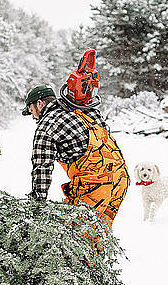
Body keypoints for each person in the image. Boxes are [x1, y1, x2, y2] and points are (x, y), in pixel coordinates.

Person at [22, 55, 129, 227]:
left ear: (39, 104)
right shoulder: (85, 110)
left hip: (94, 184)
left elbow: (42, 167)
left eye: (31, 110)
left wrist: (37, 204)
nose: (32, 116)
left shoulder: (47, 124)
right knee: (98, 234)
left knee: (72, 237)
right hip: (120, 179)